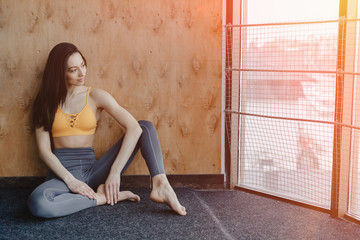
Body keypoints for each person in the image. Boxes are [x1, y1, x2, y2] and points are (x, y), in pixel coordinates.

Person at [27, 42, 186, 218]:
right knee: (39, 203)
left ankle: (161, 184)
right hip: (61, 176)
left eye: (83, 65)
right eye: (73, 70)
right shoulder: (44, 103)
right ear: (60, 73)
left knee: (144, 127)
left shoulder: (95, 96)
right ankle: (101, 198)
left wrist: (115, 172)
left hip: (94, 171)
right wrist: (70, 181)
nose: (82, 73)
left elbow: (133, 128)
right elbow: (44, 151)